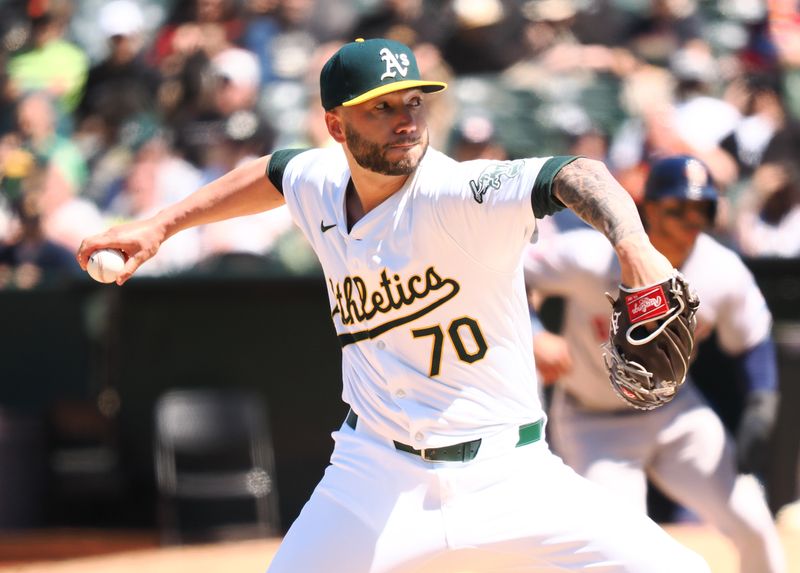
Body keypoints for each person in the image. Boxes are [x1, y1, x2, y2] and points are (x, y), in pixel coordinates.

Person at [77, 38, 710, 572]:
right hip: (372, 474)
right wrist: (159, 226)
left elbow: (578, 173)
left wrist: (635, 246)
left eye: (413, 101)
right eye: (380, 109)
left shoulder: (460, 192)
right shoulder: (322, 183)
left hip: (510, 474)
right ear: (336, 125)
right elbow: (273, 171)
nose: (406, 119)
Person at [524, 155, 786, 573]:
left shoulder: (721, 269)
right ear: (647, 208)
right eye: (676, 208)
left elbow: (753, 340)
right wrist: (533, 331)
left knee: (755, 524)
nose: (689, 220)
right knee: (624, 554)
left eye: (700, 208)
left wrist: (761, 403)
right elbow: (507, 272)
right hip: (594, 424)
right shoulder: (591, 255)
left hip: (675, 415)